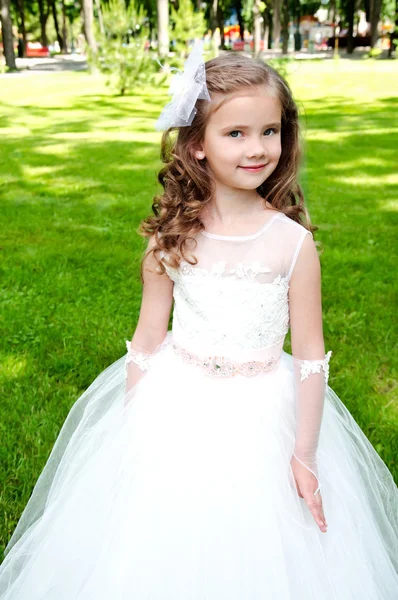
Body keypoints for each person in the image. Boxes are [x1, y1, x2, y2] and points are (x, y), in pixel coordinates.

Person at [1, 41, 397, 599]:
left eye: (270, 131)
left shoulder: (292, 244)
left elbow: (310, 358)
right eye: (235, 133)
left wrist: (304, 455)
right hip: (177, 402)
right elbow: (146, 339)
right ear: (196, 145)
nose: (258, 148)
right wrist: (132, 430)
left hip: (267, 413)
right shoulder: (173, 237)